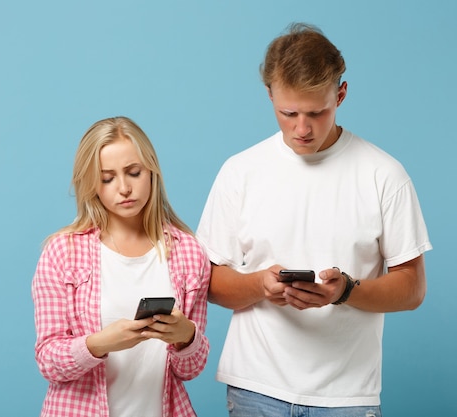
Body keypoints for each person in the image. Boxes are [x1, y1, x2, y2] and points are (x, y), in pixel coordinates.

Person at [196, 23, 432, 417]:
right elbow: (209, 281)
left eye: (316, 113)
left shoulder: (384, 175)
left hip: (346, 398)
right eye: (287, 113)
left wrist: (346, 291)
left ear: (341, 94)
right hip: (256, 389)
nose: (301, 129)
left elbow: (413, 288)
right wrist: (260, 284)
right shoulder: (240, 172)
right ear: (269, 95)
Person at [32, 116, 210, 417]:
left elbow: (190, 370)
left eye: (133, 172)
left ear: (152, 172)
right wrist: (98, 344)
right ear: (93, 185)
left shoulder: (188, 253)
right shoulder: (63, 252)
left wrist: (186, 336)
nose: (124, 187)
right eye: (107, 178)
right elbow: (48, 362)